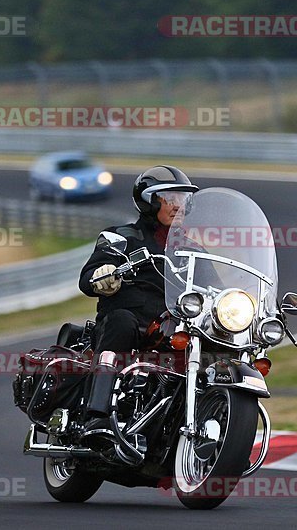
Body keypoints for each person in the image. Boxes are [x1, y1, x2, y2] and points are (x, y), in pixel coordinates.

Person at [78, 165, 198, 442]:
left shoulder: (193, 249)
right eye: (170, 198)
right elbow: (87, 279)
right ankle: (97, 415)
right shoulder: (120, 237)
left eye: (183, 199)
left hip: (171, 329)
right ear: (149, 201)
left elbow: (219, 284)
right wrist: (102, 275)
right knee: (122, 320)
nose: (178, 206)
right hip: (130, 327)